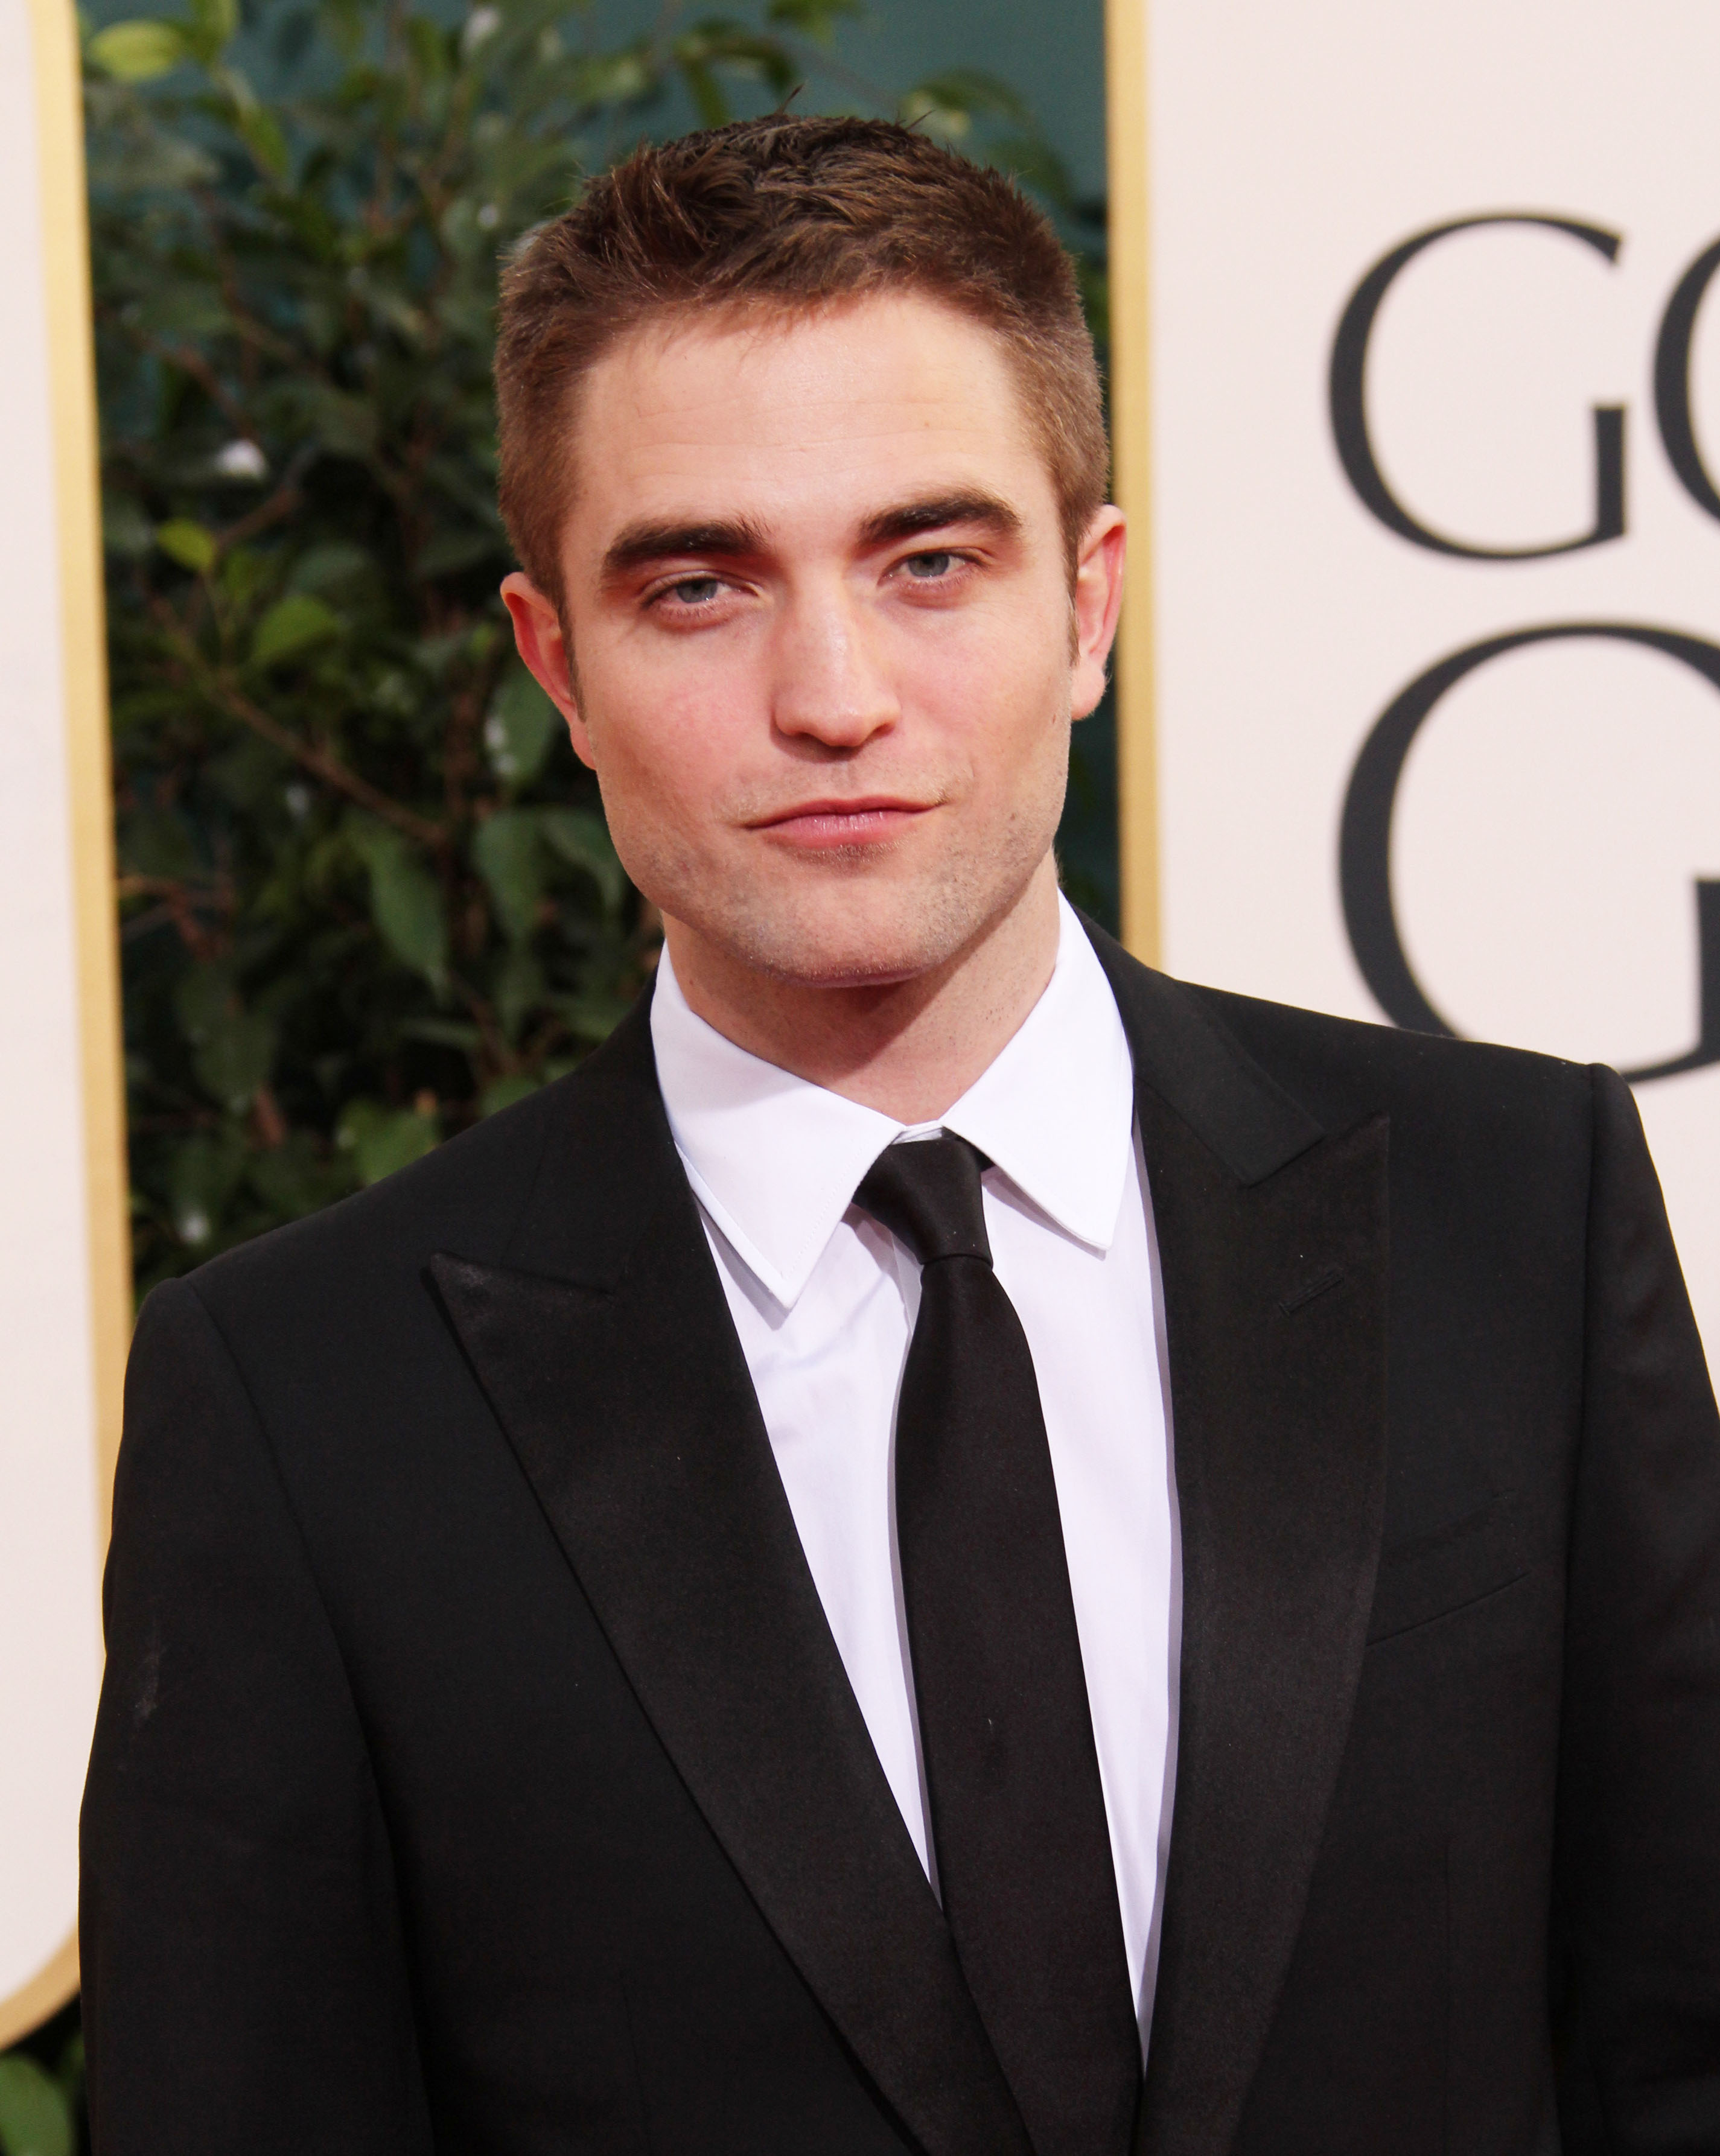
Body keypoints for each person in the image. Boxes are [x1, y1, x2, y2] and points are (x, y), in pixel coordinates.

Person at [80, 116, 1720, 2156]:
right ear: (555, 664)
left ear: (1089, 605)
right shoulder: (309, 1403)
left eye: (929, 562)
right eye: (700, 587)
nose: (834, 696)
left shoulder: (1515, 1219)